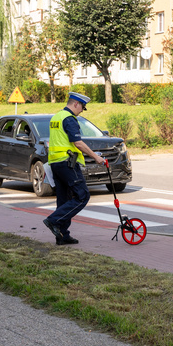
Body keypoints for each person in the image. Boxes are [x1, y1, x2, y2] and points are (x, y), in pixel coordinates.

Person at [42, 93, 108, 245]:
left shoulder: (56, 117)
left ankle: (62, 236)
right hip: (67, 163)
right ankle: (53, 220)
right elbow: (77, 143)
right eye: (83, 108)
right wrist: (96, 157)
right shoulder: (69, 119)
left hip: (55, 164)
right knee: (82, 196)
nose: (82, 111)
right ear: (76, 104)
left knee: (64, 199)